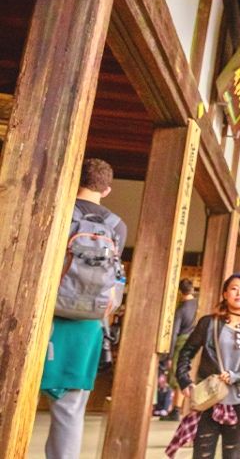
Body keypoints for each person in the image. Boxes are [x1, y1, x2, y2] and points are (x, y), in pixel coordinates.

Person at [41, 158, 127, 459]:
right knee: (70, 408)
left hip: (44, 316)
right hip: (88, 324)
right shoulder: (117, 226)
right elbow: (115, 283)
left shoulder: (59, 211)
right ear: (107, 189)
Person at [168, 272, 240, 459]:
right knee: (202, 455)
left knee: (233, 456)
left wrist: (236, 377)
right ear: (225, 293)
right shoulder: (208, 323)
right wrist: (184, 380)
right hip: (209, 399)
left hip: (239, 401)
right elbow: (186, 352)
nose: (239, 293)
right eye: (234, 288)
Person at [161, 279, 199, 421]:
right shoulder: (197, 305)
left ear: (179, 292)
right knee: (186, 372)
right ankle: (177, 408)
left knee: (178, 374)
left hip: (181, 341)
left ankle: (176, 409)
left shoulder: (181, 309)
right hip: (195, 341)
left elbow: (174, 332)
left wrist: (169, 356)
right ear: (192, 289)